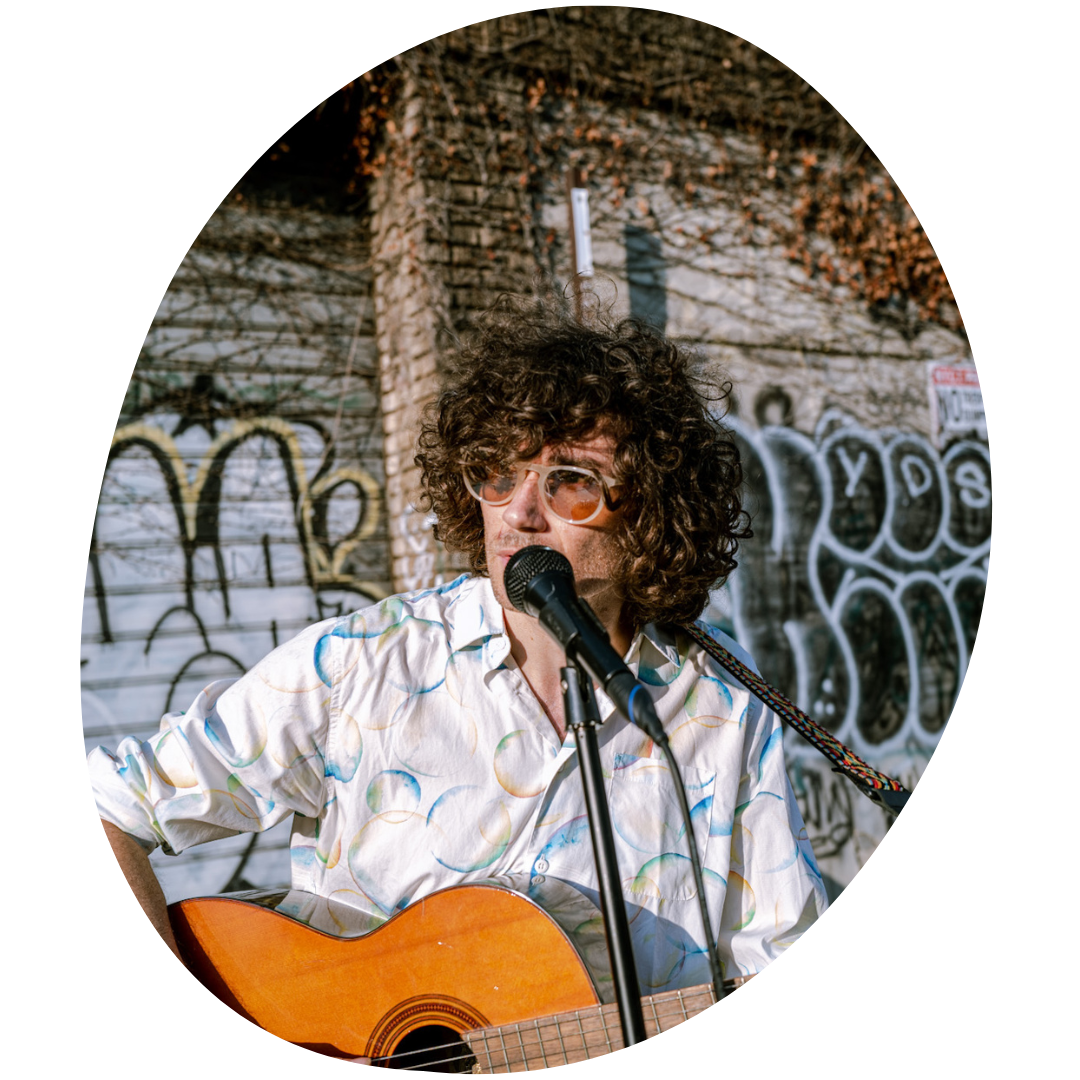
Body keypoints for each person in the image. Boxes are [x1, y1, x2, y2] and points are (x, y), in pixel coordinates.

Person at [90, 289, 827, 1009]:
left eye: (572, 484)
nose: (519, 514)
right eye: (498, 475)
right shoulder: (361, 666)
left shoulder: (722, 700)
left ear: (656, 513)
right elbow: (114, 805)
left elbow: (775, 940)